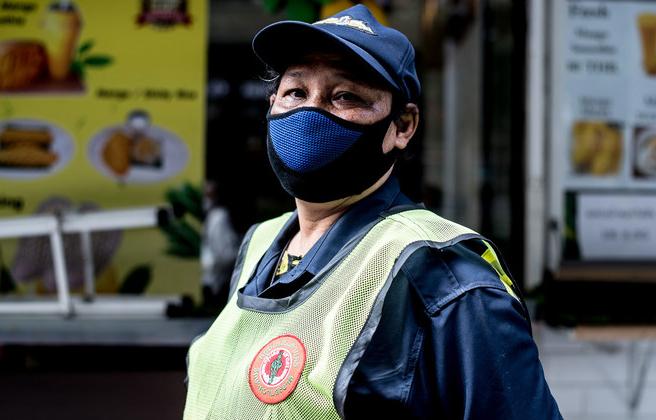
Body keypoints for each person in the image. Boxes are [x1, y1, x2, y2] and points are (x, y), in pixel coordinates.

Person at [184, 5, 562, 419]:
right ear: (272, 104)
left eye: (345, 96)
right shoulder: (259, 244)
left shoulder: (443, 279)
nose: (311, 113)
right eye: (296, 92)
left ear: (403, 125)